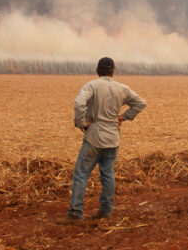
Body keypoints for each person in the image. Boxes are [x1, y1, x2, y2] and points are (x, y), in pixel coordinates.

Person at [58, 57, 147, 224]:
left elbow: (79, 103)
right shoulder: (122, 88)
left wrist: (81, 123)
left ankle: (75, 214)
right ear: (113, 70)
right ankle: (106, 211)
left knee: (81, 175)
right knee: (108, 174)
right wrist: (123, 117)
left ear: (97, 70)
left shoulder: (92, 85)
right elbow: (141, 103)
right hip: (113, 138)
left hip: (94, 137)